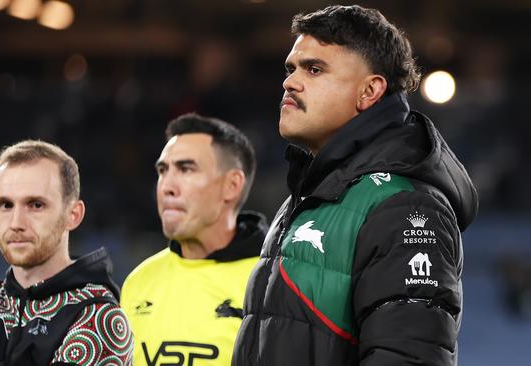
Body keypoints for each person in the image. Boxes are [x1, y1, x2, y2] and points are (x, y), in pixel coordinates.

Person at [233, 5, 478, 366]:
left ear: (369, 91)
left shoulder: (404, 205)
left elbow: (408, 357)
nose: (290, 82)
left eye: (314, 69)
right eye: (291, 69)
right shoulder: (309, 197)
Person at [0, 140, 133, 366]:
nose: (16, 223)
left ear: (73, 215)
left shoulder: (99, 319)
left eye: (35, 205)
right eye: (6, 205)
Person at [120, 113, 267, 366]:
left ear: (232, 185)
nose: (166, 186)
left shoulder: (272, 282)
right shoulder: (138, 281)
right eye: (163, 171)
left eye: (186, 169)